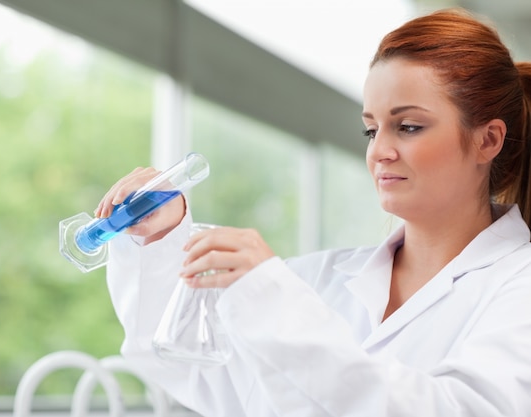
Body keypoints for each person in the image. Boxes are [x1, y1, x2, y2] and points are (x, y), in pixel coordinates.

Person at [94, 8, 531, 417]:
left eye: (409, 126)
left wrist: (276, 304)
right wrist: (161, 239)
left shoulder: (517, 287)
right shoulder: (317, 279)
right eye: (371, 129)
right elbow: (196, 368)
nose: (379, 151)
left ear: (487, 141)